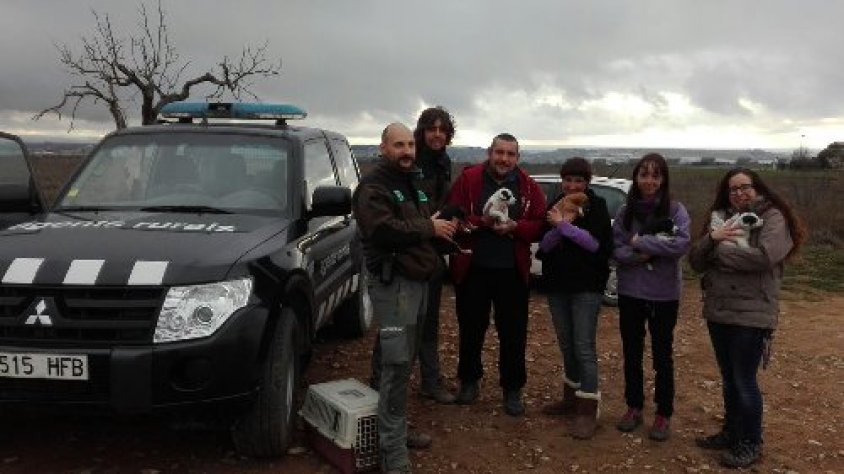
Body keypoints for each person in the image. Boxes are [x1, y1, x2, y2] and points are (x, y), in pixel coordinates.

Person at [352, 123, 457, 474]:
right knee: (397, 364)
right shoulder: (373, 186)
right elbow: (381, 230)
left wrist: (446, 229)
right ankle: (391, 451)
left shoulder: (413, 181)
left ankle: (389, 427)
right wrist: (429, 228)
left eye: (410, 144)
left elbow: (421, 225)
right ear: (383, 148)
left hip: (419, 282)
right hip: (394, 285)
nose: (407, 151)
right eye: (399, 145)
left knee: (398, 357)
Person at [688, 168, 805, 469]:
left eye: (745, 187)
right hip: (719, 309)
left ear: (758, 188)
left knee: (744, 380)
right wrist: (712, 240)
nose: (739, 193)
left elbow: (765, 257)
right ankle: (732, 432)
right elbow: (696, 261)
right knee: (729, 380)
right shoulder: (720, 217)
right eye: (732, 189)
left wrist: (718, 251)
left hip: (753, 313)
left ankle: (751, 442)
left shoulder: (774, 217)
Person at [445, 133, 546, 416]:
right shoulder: (469, 179)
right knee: (471, 328)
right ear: (490, 152)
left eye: (510, 154)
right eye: (499, 153)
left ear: (517, 157)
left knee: (513, 333)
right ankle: (469, 381)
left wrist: (515, 227)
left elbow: (540, 224)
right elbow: (454, 214)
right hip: (473, 268)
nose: (504, 159)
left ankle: (512, 389)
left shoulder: (527, 185)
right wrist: (483, 222)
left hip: (512, 272)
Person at [370, 107, 457, 404]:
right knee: (396, 328)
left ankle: (429, 381)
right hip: (404, 258)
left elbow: (441, 204)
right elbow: (393, 219)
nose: (437, 134)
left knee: (426, 321)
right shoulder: (407, 167)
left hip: (430, 254)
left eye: (442, 129)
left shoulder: (444, 164)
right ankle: (380, 390)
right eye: (431, 129)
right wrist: (429, 225)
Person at [612, 153, 690, 441]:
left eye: (656, 175)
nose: (649, 181)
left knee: (662, 356)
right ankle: (633, 407)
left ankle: (663, 413)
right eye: (644, 174)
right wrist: (641, 252)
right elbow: (615, 249)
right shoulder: (625, 212)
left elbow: (681, 244)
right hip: (631, 291)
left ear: (663, 179)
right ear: (636, 178)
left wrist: (639, 241)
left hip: (664, 294)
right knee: (632, 352)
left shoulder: (676, 210)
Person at [537, 157, 612, 439]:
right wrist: (558, 225)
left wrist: (566, 226)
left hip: (587, 287)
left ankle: (588, 409)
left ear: (587, 182)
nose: (572, 185)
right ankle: (571, 398)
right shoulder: (554, 205)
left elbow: (596, 245)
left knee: (583, 347)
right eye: (567, 180)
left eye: (578, 180)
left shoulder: (597, 206)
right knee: (566, 344)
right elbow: (543, 246)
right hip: (558, 285)